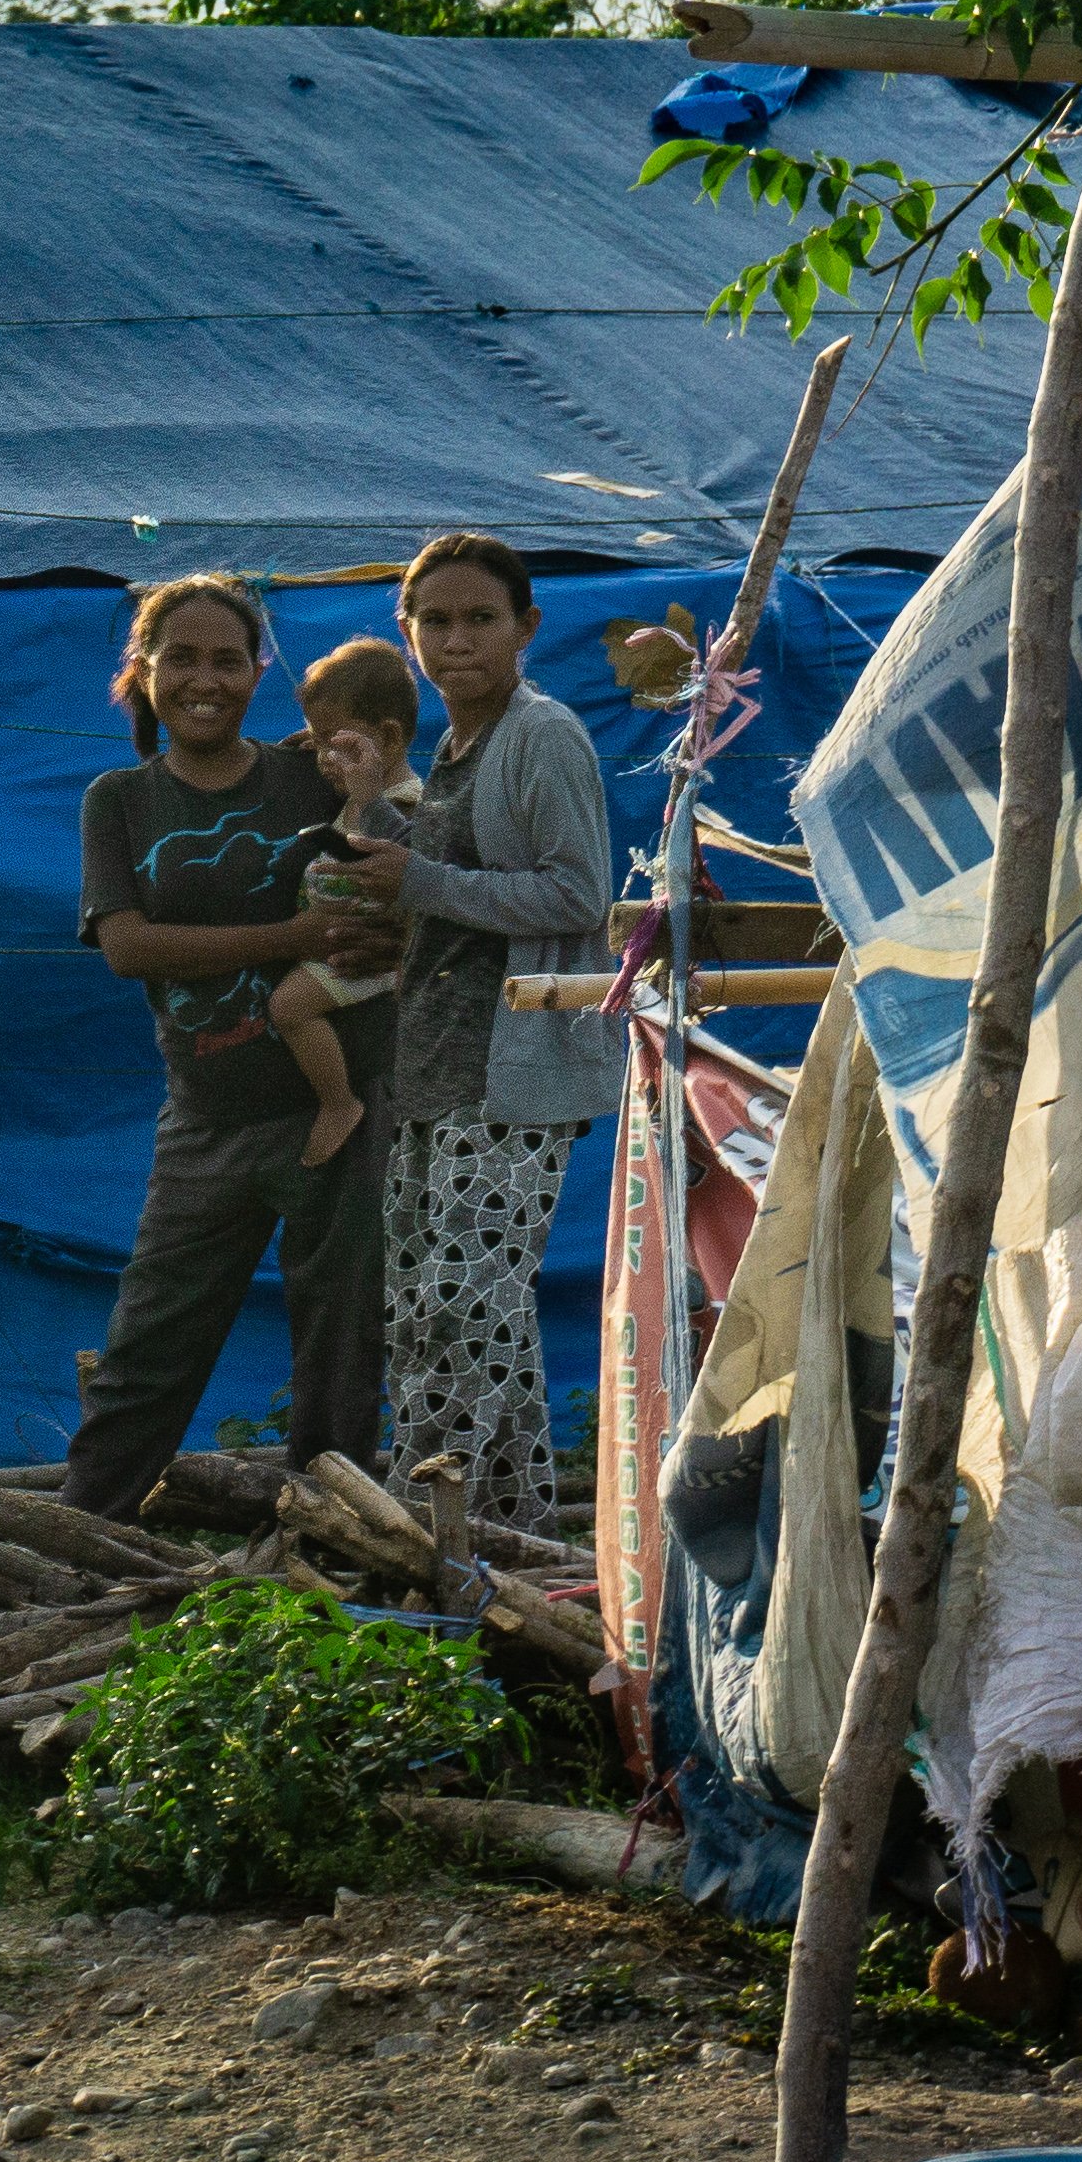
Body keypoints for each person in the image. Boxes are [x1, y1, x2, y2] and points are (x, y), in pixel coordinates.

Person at [56, 575, 394, 1527]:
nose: (205, 678)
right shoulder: (120, 799)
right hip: (206, 1119)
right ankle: (81, 1535)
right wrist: (291, 941)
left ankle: (338, 1546)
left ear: (259, 673)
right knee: (151, 1340)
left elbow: (396, 837)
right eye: (182, 657)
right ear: (145, 670)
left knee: (340, 1348)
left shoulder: (301, 776)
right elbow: (129, 947)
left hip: (337, 1110)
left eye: (228, 659)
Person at [316, 531, 619, 1538]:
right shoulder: (451, 746)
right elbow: (445, 890)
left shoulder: (542, 736)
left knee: (462, 1307)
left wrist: (422, 883)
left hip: (519, 1068)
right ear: (407, 636)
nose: (456, 640)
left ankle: (417, 1525)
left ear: (526, 627)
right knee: (455, 1314)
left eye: (480, 618)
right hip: (439, 1061)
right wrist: (369, 813)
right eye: (435, 621)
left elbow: (579, 892)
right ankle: (514, 1532)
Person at [251, 636, 425, 1150]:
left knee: (289, 1008)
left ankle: (339, 1102)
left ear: (389, 739)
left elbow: (413, 881)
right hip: (337, 940)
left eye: (335, 742)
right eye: (319, 739)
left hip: (361, 956)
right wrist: (316, 741)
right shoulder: (360, 788)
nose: (325, 756)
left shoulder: (405, 805)